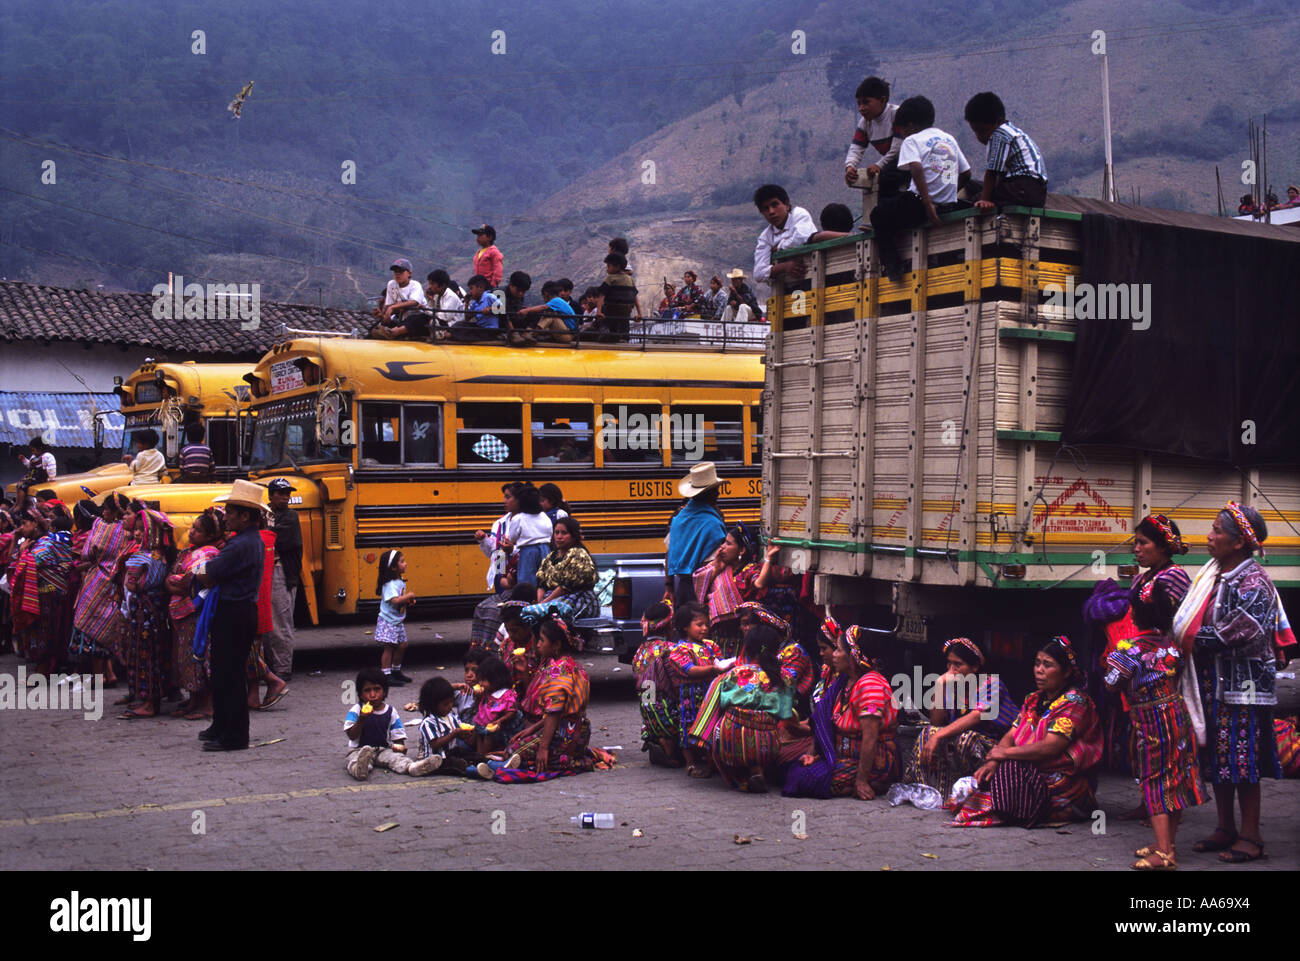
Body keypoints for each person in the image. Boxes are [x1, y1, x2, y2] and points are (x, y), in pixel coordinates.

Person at [1175, 502, 1287, 864]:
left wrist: (1185, 638)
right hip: (1213, 683)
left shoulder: (1254, 582)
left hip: (1244, 688)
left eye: (1217, 531)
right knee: (1218, 758)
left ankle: (1251, 836)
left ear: (1239, 542)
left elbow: (1240, 633)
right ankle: (1225, 827)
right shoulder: (1214, 574)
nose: (1209, 536)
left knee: (1243, 759)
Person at [1104, 568, 1208, 870]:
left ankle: (1164, 853)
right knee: (1175, 778)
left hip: (1151, 722)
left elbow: (1112, 682)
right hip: (1178, 715)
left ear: (1136, 615)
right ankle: (1167, 842)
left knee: (1154, 781)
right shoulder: (1171, 646)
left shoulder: (1130, 650)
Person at [951, 635, 1103, 827]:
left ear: (1066, 672)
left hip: (1063, 780)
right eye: (1037, 663)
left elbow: (1051, 747)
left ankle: (1060, 808)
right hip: (1032, 769)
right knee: (986, 779)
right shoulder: (1033, 699)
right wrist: (994, 761)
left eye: (1048, 665)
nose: (1039, 670)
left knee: (1007, 776)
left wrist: (1004, 754)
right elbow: (1011, 734)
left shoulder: (1075, 702)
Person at [195, 479, 267, 751]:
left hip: (234, 611)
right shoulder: (248, 541)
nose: (226, 517)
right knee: (224, 673)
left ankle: (234, 735)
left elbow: (209, 574)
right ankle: (222, 726)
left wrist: (198, 574)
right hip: (238, 610)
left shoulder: (240, 545)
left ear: (245, 516)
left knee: (230, 675)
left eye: (231, 512)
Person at [870, 95, 972, 282]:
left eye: (902, 131)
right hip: (947, 204)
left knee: (878, 215)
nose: (903, 136)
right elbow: (966, 173)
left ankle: (893, 266)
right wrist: (948, 193)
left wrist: (928, 203)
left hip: (919, 205)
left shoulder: (913, 140)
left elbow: (915, 167)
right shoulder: (948, 138)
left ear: (911, 126)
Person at [903, 637, 1017, 802]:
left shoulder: (992, 684)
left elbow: (975, 717)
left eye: (958, 664)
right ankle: (930, 791)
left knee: (964, 738)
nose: (951, 669)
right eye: (949, 664)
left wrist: (939, 736)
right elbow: (936, 721)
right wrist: (940, 685)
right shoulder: (954, 688)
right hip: (969, 740)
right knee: (928, 731)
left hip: (997, 745)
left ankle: (974, 791)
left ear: (975, 667)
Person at [498, 614, 595, 776]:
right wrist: (532, 730)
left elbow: (554, 712)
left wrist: (543, 747)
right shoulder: (570, 665)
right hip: (578, 731)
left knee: (512, 752)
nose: (537, 645)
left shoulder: (558, 670)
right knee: (516, 745)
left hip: (564, 734)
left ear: (556, 645)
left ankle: (563, 761)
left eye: (542, 640)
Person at [712, 623, 795, 792]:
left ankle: (740, 775)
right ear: (775, 650)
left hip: (731, 742)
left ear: (747, 649)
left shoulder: (735, 673)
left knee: (723, 722)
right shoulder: (785, 677)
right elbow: (785, 714)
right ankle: (757, 769)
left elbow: (723, 704)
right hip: (768, 745)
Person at [69, 490, 136, 686]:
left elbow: (88, 553)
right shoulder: (130, 534)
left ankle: (99, 677)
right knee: (106, 628)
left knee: (92, 628)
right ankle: (109, 673)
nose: (103, 513)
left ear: (115, 511)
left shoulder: (100, 527)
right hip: (117, 583)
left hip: (98, 581)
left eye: (106, 509)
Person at [167, 508, 223, 721]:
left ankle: (207, 704)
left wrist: (179, 582)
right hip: (183, 613)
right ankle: (193, 700)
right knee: (185, 657)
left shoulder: (209, 553)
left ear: (210, 536)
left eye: (197, 531)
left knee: (198, 657)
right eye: (192, 528)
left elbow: (196, 579)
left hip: (197, 612)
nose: (191, 532)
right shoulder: (188, 552)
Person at [344, 667, 440, 779]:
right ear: (360, 694)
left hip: (382, 749)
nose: (373, 695)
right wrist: (361, 719)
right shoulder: (356, 710)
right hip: (359, 750)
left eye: (377, 689)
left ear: (384, 692)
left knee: (396, 758)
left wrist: (401, 748)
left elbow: (398, 737)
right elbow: (351, 735)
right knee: (355, 760)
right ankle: (359, 769)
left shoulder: (390, 712)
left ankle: (413, 767)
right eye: (367, 690)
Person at [964, 91, 1048, 211]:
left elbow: (992, 172)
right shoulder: (1013, 132)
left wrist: (985, 200)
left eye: (982, 131)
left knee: (976, 199)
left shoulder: (999, 134)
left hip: (1022, 187)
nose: (979, 136)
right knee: (975, 188)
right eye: (975, 132)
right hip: (1037, 192)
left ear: (998, 122)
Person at [668, 601, 724, 778]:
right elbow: (689, 670)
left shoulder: (711, 645)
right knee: (688, 726)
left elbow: (720, 661)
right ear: (685, 627)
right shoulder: (679, 649)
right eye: (699, 625)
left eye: (706, 624)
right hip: (689, 697)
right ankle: (690, 763)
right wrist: (714, 670)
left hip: (710, 694)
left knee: (710, 725)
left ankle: (711, 762)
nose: (704, 628)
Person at [692, 522, 762, 659]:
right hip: (718, 635)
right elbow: (699, 584)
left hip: (741, 633)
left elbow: (759, 583)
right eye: (724, 542)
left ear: (741, 550)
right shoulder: (719, 568)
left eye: (728, 544)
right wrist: (717, 568)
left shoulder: (749, 570)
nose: (722, 547)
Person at [665, 462, 727, 608]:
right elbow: (714, 563)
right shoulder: (712, 523)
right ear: (708, 493)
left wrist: (669, 587)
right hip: (705, 589)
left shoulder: (678, 519)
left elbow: (668, 555)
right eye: (715, 490)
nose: (718, 493)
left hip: (682, 589)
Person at [412, 676, 490, 778]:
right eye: (445, 704)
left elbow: (463, 736)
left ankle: (495, 765)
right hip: (437, 758)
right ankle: (476, 771)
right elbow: (435, 744)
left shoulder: (451, 716)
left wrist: (470, 732)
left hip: (452, 751)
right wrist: (454, 734)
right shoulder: (428, 722)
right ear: (433, 705)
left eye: (451, 702)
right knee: (458, 764)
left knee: (476, 756)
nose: (450, 706)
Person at [522, 516, 596, 623]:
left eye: (564, 533)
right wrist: (538, 603)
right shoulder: (551, 556)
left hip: (574, 597)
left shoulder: (578, 554)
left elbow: (565, 587)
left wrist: (542, 604)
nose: (559, 537)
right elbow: (542, 584)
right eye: (556, 533)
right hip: (551, 596)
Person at [634, 599, 681, 766]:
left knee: (651, 705)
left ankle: (654, 737)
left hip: (647, 706)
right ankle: (667, 745)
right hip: (665, 707)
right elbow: (676, 681)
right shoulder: (669, 649)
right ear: (669, 626)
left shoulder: (641, 650)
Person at [263, 478, 301, 682]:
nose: (286, 496)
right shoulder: (265, 514)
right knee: (267, 623)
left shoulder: (290, 517)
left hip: (282, 572)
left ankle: (283, 668)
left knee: (280, 622)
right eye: (281, 493)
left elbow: (273, 538)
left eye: (288, 493)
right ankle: (270, 667)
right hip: (266, 571)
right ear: (271, 495)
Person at [843, 76, 905, 196]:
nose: (861, 108)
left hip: (908, 163)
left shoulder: (896, 114)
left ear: (882, 100)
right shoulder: (865, 123)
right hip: (891, 166)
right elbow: (856, 149)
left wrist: (879, 165)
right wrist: (850, 166)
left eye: (866, 102)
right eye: (859, 104)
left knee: (885, 181)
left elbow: (897, 149)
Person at [752, 183, 816, 287]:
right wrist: (784, 267)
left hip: (814, 278)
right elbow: (758, 273)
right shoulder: (765, 237)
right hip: (789, 288)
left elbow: (802, 238)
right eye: (766, 209)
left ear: (786, 205)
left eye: (775, 205)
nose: (771, 212)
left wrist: (779, 248)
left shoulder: (799, 215)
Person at [375, 549, 415, 685]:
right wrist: (408, 596)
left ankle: (396, 670)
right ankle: (386, 674)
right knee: (389, 647)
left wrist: (408, 601)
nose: (406, 564)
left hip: (397, 621)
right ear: (393, 567)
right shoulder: (390, 584)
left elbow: (400, 600)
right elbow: (395, 601)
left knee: (402, 645)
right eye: (402, 562)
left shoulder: (399, 581)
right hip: (388, 621)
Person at [470, 654, 523, 756]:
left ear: (496, 679)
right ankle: (478, 756)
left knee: (488, 738)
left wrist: (501, 720)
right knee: (478, 736)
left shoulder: (506, 694)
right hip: (482, 723)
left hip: (498, 728)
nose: (480, 683)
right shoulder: (487, 693)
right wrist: (478, 697)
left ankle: (484, 758)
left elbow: (512, 711)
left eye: (483, 680)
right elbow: (479, 707)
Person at [504, 482, 552, 590]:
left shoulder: (518, 518)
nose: (504, 501)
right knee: (544, 581)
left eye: (508, 497)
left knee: (527, 583)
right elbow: (550, 532)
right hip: (544, 549)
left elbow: (511, 539)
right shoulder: (544, 516)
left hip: (526, 552)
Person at [372, 258, 431, 339]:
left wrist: (392, 307)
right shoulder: (391, 284)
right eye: (395, 271)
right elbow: (388, 305)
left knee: (415, 319)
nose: (397, 274)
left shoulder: (415, 285)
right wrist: (383, 314)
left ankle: (393, 333)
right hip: (400, 318)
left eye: (401, 271)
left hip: (417, 319)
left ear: (409, 273)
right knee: (376, 328)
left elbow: (414, 302)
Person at [592, 253, 638, 341]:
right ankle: (623, 338)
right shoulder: (630, 279)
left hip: (611, 310)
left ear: (617, 266)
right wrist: (639, 313)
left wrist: (599, 311)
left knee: (605, 323)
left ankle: (605, 334)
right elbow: (635, 297)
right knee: (623, 327)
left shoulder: (610, 279)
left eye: (608, 266)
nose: (607, 269)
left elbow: (601, 295)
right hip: (625, 313)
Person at [454, 274, 502, 339]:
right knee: (461, 324)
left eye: (471, 288)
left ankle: (450, 335)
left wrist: (489, 309)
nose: (470, 292)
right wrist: (467, 303)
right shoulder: (475, 303)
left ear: (480, 288)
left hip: (489, 330)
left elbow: (501, 307)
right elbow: (467, 319)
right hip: (480, 328)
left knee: (467, 332)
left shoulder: (489, 297)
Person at [424, 269, 465, 335]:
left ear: (442, 285)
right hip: (441, 321)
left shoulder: (451, 296)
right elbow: (431, 309)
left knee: (426, 320)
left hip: (451, 324)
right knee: (421, 318)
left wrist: (429, 311)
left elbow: (445, 317)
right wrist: (431, 300)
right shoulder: (437, 295)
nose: (430, 287)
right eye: (429, 284)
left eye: (432, 284)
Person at [471, 224, 503, 288]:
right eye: (477, 235)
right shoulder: (479, 252)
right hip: (478, 286)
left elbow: (498, 270)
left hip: (488, 286)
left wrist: (492, 285)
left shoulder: (494, 252)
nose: (478, 238)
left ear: (490, 237)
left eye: (480, 235)